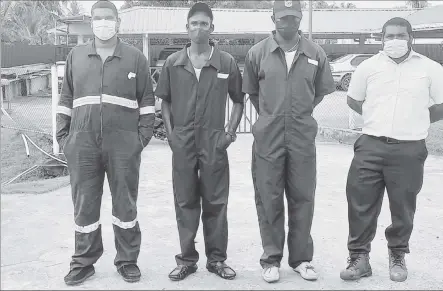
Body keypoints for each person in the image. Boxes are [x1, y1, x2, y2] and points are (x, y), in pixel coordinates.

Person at [340, 17, 443, 282]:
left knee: (403, 206)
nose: (395, 40)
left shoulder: (429, 68)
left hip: (409, 148)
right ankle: (359, 258)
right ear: (381, 38)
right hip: (370, 145)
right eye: (389, 36)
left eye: (400, 35)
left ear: (411, 38)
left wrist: (419, 119)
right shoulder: (368, 67)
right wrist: (376, 118)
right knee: (360, 203)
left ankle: (397, 255)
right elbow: (353, 99)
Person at [56, 0, 155, 285]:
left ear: (118, 22)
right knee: (84, 204)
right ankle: (83, 262)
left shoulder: (135, 58)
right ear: (91, 22)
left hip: (124, 146)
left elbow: (147, 102)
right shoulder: (75, 56)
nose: (103, 23)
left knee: (125, 204)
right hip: (82, 144)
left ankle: (127, 261)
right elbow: (66, 99)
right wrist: (65, 138)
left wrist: (142, 138)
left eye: (108, 18)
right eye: (97, 18)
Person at [242, 0, 335, 283]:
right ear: (272, 18)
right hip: (268, 138)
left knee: (303, 197)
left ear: (300, 20)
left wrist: (298, 114)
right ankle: (271, 259)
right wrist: (273, 117)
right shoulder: (257, 53)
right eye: (283, 18)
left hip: (302, 137)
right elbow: (253, 94)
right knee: (268, 198)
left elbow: (319, 93)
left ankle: (301, 259)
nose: (289, 23)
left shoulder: (315, 53)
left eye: (294, 17)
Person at [155, 2, 244, 282]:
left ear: (212, 28)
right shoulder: (173, 63)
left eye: (204, 23)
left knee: (216, 202)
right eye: (194, 23)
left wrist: (229, 133)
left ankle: (217, 260)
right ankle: (187, 260)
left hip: (214, 142)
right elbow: (165, 102)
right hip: (182, 142)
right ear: (187, 28)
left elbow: (239, 100)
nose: (199, 28)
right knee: (185, 201)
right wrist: (171, 134)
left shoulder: (225, 62)